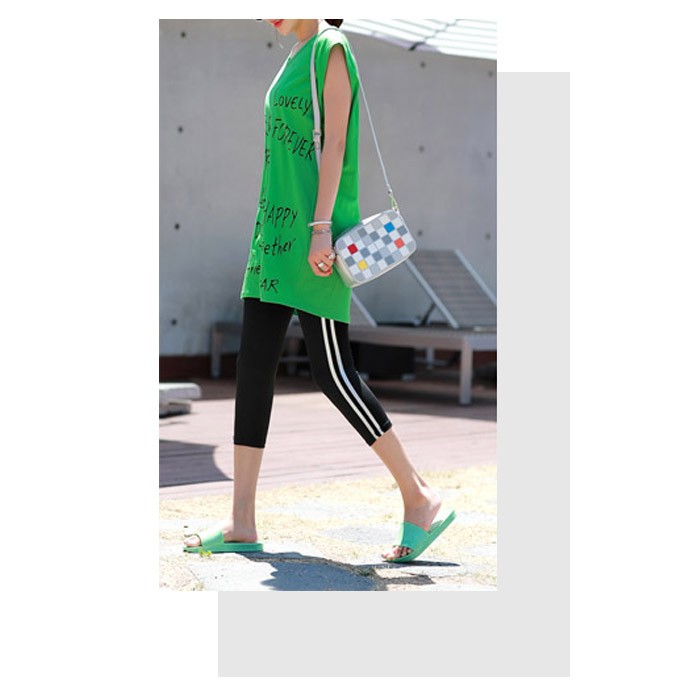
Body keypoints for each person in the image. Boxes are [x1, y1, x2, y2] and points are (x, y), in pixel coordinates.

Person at [183, 19, 455, 562]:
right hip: (273, 240)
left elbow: (334, 145)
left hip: (315, 240)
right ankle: (241, 520)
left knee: (332, 372)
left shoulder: (331, 48)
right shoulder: (294, 56)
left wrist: (321, 228)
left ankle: (419, 496)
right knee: (253, 366)